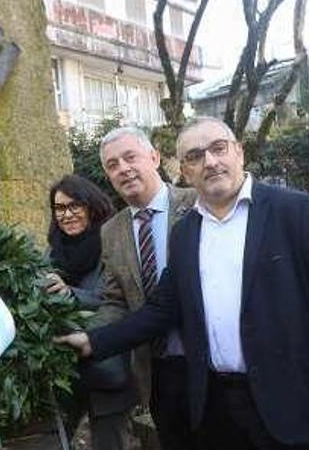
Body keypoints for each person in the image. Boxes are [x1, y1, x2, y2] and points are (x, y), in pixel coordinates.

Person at [57, 118, 309, 449]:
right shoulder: (186, 232)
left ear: (239, 152)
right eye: (194, 156)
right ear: (184, 170)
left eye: (218, 148)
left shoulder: (295, 212)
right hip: (215, 409)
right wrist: (91, 341)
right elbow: (161, 308)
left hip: (289, 403)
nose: (210, 161)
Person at [95, 126, 197, 450]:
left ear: (154, 157)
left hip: (212, 365)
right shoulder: (111, 231)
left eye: (130, 157)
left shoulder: (198, 204)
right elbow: (115, 299)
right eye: (113, 164)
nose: (123, 168)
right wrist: (88, 336)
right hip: (156, 373)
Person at [45, 174, 137, 450]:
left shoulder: (114, 243)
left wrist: (69, 295)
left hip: (107, 365)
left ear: (91, 206)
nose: (67, 214)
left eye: (75, 206)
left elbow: (118, 300)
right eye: (59, 208)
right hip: (66, 371)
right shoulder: (53, 250)